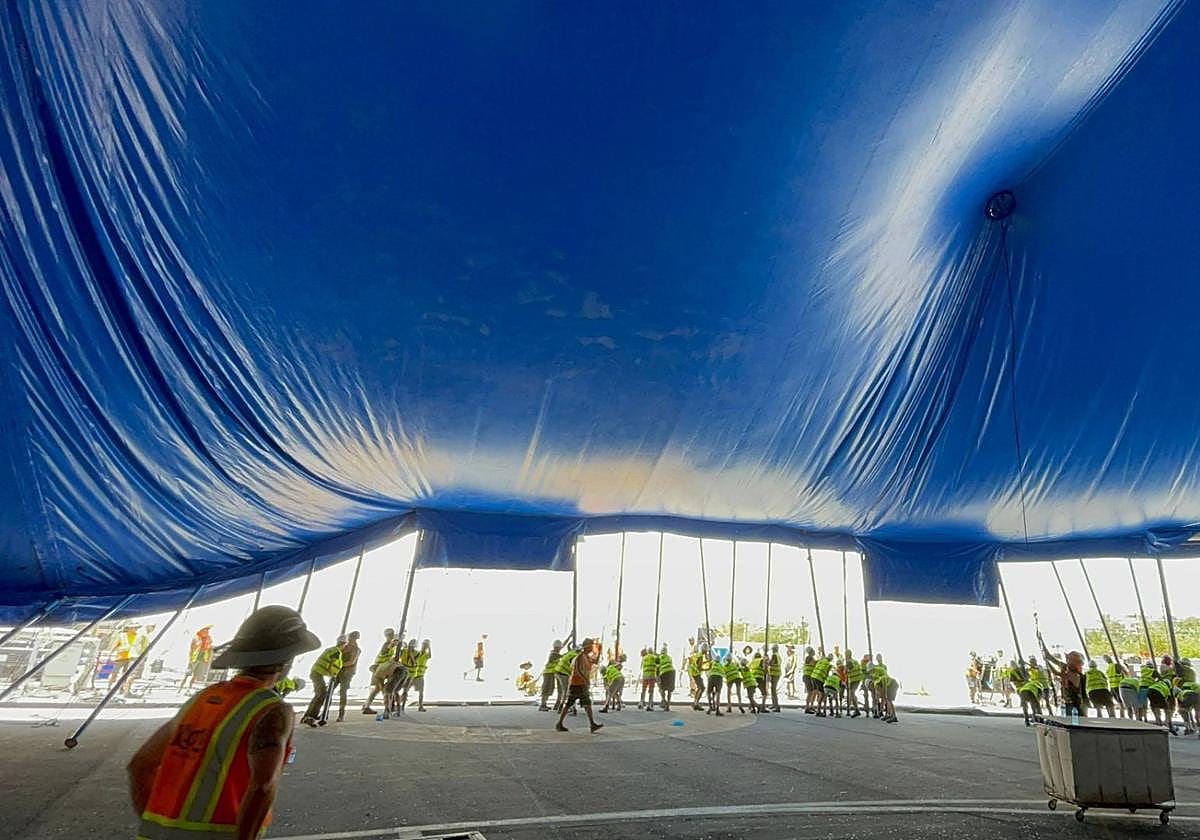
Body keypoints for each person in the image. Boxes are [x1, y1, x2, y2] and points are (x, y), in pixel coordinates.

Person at [127, 606, 319, 840]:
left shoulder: (202, 699)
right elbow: (263, 786)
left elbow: (140, 765)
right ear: (286, 659)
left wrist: (156, 823)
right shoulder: (272, 710)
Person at [555, 638, 604, 733]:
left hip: (579, 684)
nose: (592, 648)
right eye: (591, 646)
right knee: (575, 703)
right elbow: (577, 670)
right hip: (578, 684)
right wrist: (585, 680)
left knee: (584, 703)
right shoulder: (580, 657)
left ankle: (591, 724)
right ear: (587, 647)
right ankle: (560, 723)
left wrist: (599, 652)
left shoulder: (586, 657)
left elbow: (596, 662)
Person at [302, 638, 343, 727]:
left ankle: (307, 716)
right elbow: (331, 664)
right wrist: (332, 675)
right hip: (318, 674)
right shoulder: (337, 651)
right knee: (321, 695)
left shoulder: (330, 649)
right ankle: (311, 717)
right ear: (344, 644)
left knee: (319, 695)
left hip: (316, 672)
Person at [361, 628, 397, 714]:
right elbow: (385, 651)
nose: (391, 636)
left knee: (377, 689)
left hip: (382, 669)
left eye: (392, 634)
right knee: (383, 689)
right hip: (379, 669)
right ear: (386, 636)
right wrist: (391, 645)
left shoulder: (391, 644)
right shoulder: (387, 644)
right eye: (390, 635)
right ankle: (388, 707)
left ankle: (366, 705)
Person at [334, 630, 360, 723]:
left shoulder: (355, 649)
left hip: (347, 673)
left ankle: (341, 714)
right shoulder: (345, 646)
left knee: (343, 692)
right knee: (329, 690)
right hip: (338, 671)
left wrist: (339, 665)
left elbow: (351, 662)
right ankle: (323, 712)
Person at [400, 639, 432, 712]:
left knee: (421, 692)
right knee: (405, 690)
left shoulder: (425, 655)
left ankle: (420, 706)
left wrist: (429, 647)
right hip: (412, 675)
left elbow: (430, 655)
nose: (424, 646)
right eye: (424, 644)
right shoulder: (418, 653)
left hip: (419, 675)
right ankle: (402, 706)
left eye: (426, 645)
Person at [184, 626, 214, 691]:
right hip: (195, 658)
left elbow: (209, 647)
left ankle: (189, 688)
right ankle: (181, 687)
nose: (207, 632)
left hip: (202, 658)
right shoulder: (197, 638)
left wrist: (207, 656)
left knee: (195, 675)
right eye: (205, 630)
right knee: (188, 674)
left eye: (207, 631)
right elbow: (192, 648)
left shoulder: (208, 638)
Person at [1018, 656, 1045, 725]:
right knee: (1037, 706)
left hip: (1022, 691)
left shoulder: (1039, 668)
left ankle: (1027, 721)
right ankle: (1040, 720)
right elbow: (1038, 699)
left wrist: (1025, 663)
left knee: (1025, 707)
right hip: (1029, 691)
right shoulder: (1039, 685)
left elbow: (1036, 668)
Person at [538, 640, 563, 711]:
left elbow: (563, 645)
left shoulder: (555, 652)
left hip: (551, 673)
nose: (560, 649)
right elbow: (564, 655)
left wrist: (569, 637)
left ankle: (544, 704)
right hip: (548, 673)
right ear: (555, 647)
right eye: (559, 647)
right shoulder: (553, 654)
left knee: (550, 689)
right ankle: (542, 705)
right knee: (546, 688)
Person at [656, 644, 676, 711]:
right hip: (671, 673)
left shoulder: (659, 658)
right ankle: (668, 705)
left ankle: (664, 701)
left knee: (662, 689)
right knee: (669, 690)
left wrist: (657, 678)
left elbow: (657, 667)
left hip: (664, 673)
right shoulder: (669, 657)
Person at [844, 650, 863, 718]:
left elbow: (845, 672)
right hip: (856, 679)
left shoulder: (848, 662)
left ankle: (857, 710)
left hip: (854, 679)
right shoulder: (855, 661)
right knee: (852, 694)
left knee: (852, 693)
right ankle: (856, 708)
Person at [766, 644, 782, 712]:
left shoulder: (774, 655)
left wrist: (766, 661)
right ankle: (774, 705)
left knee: (773, 690)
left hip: (775, 674)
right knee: (773, 689)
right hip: (776, 673)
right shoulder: (778, 655)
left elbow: (771, 663)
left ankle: (776, 706)